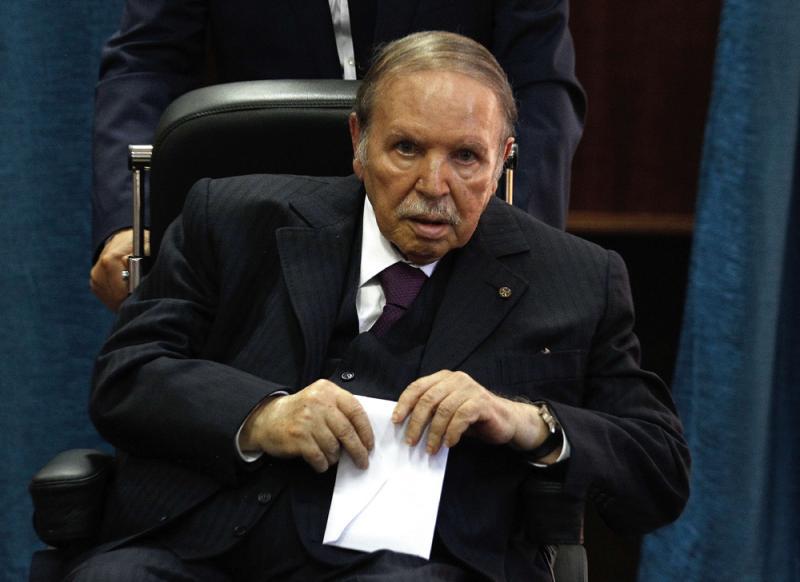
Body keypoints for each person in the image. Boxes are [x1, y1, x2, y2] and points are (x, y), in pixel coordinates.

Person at [69, 32, 688, 582]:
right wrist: (260, 416)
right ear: (358, 143)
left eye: (466, 157)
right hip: (197, 549)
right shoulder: (231, 219)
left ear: (504, 159)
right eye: (407, 149)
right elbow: (126, 378)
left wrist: (528, 421)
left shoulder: (576, 278)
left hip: (416, 565)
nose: (434, 184)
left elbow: (658, 471)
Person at [89, 0, 586, 311]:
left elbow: (539, 82)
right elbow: (147, 62)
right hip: (266, 230)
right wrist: (128, 223)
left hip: (441, 228)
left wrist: (519, 240)